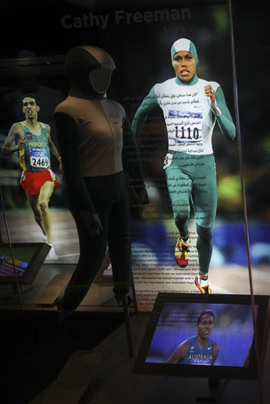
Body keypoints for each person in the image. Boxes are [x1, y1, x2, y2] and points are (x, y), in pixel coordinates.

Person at [132, 38, 236, 294]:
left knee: (206, 230)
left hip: (204, 163)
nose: (183, 63)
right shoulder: (162, 89)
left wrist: (215, 106)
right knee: (180, 213)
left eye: (188, 57)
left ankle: (203, 278)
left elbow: (231, 133)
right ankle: (183, 237)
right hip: (177, 162)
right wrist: (130, 146)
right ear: (172, 62)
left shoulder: (212, 88)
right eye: (177, 58)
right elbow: (139, 115)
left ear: (196, 60)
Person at [54, 46, 147, 322]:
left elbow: (130, 151)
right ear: (81, 74)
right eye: (99, 74)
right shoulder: (67, 110)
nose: (105, 80)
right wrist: (85, 207)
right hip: (91, 190)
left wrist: (139, 187)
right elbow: (71, 167)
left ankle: (123, 294)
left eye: (108, 74)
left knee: (122, 244)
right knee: (93, 254)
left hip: (116, 186)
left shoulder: (115, 108)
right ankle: (67, 307)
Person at [2, 96, 62, 258]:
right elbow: (4, 150)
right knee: (36, 213)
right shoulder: (17, 128)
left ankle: (50, 245)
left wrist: (59, 158)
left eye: (32, 104)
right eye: (25, 105)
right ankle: (44, 234)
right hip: (29, 175)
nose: (29, 106)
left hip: (46, 174)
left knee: (43, 204)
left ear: (37, 108)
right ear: (23, 109)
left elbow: (51, 144)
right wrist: (16, 148)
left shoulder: (46, 128)